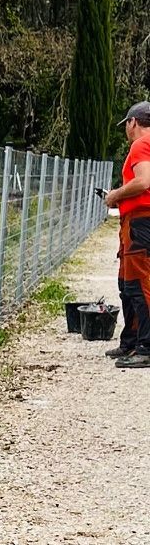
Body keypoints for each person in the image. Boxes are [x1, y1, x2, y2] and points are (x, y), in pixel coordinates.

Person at [106, 101, 150, 363]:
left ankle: (146, 347)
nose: (126, 130)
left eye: (126, 125)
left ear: (133, 122)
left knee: (139, 283)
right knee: (127, 283)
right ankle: (131, 340)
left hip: (140, 222)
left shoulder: (141, 144)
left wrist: (115, 195)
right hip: (136, 223)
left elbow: (144, 181)